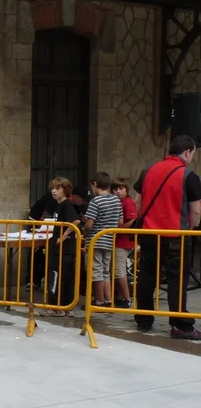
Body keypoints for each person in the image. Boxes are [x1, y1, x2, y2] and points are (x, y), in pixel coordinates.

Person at [132, 135, 201, 339]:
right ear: (187, 152)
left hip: (148, 234)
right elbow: (196, 211)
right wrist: (190, 228)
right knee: (176, 281)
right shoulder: (188, 175)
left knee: (146, 277)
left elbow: (137, 201)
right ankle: (180, 325)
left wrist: (147, 220)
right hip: (175, 236)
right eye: (193, 153)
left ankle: (143, 320)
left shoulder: (148, 171)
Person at [82, 171, 123, 307]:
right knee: (106, 271)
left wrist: (84, 234)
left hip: (96, 240)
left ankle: (98, 300)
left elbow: (89, 224)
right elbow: (120, 221)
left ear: (94, 184)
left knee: (96, 271)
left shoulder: (95, 201)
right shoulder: (116, 200)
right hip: (109, 239)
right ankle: (108, 300)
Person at [42, 177, 81, 316]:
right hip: (61, 248)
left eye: (58, 188)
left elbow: (75, 221)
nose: (54, 191)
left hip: (64, 249)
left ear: (65, 190)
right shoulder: (59, 205)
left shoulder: (66, 205)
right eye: (53, 188)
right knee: (63, 277)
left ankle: (56, 307)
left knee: (58, 277)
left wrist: (63, 236)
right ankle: (65, 307)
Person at [111, 178, 137, 308]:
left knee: (119, 271)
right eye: (115, 189)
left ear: (126, 190)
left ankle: (127, 299)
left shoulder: (128, 202)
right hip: (117, 240)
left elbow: (132, 220)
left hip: (123, 241)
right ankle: (120, 296)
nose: (118, 192)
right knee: (118, 270)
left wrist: (118, 229)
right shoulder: (117, 202)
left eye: (121, 189)